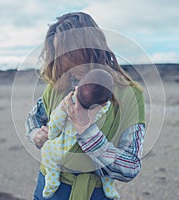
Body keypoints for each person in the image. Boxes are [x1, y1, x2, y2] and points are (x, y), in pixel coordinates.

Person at [25, 12, 145, 200]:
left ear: (91, 47)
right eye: (58, 54)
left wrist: (88, 132)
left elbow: (130, 167)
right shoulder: (57, 87)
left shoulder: (130, 95)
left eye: (68, 53)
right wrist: (36, 135)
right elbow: (34, 118)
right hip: (49, 190)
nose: (62, 61)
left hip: (96, 194)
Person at [41, 69, 119, 199]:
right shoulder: (105, 107)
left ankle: (52, 179)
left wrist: (52, 135)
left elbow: (55, 121)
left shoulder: (68, 104)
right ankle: (108, 186)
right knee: (105, 163)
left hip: (66, 151)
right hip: (93, 157)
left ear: (77, 87)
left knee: (47, 150)